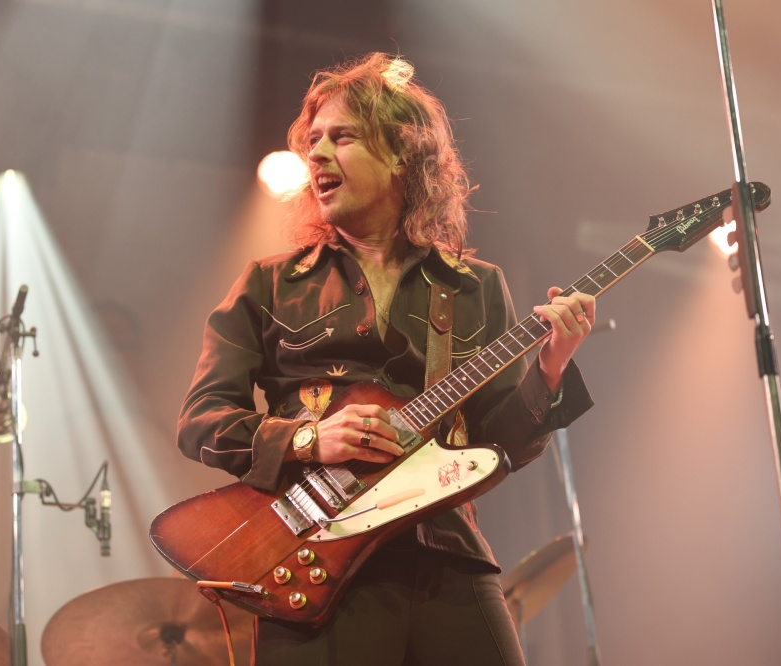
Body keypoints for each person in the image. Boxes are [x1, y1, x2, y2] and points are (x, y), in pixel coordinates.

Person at [177, 52, 596, 666]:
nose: (318, 155)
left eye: (341, 137)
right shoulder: (269, 284)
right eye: (313, 141)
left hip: (444, 555)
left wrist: (551, 367)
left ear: (402, 153)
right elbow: (201, 422)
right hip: (315, 559)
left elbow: (501, 445)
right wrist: (307, 440)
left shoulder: (474, 287)